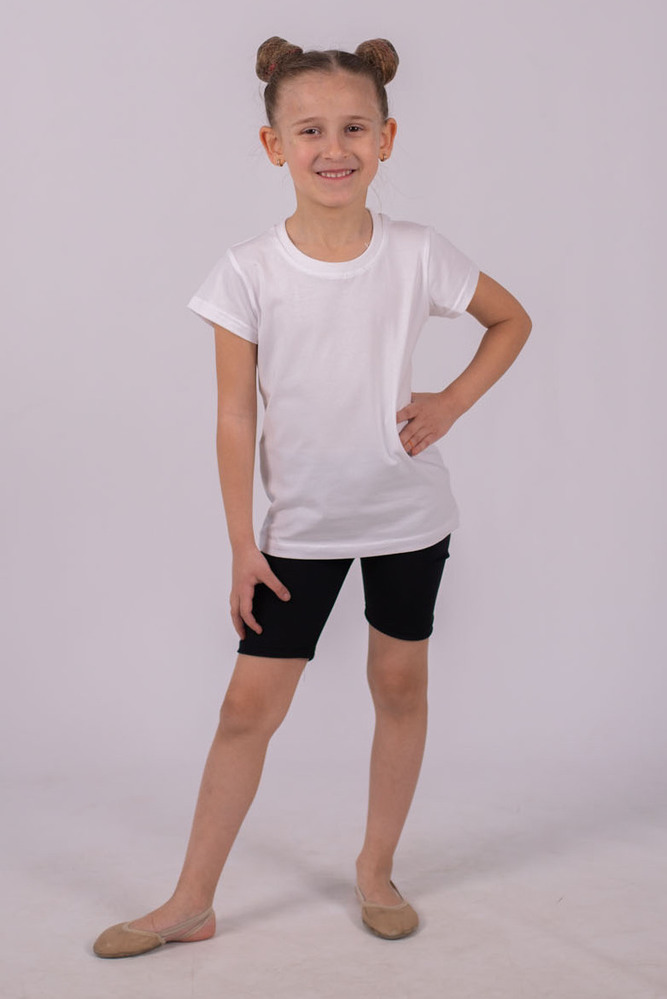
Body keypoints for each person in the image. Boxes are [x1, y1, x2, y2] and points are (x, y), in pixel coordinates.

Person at [93, 35, 531, 958]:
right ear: (273, 146)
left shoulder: (417, 252)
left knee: (398, 684)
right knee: (246, 709)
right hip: (297, 530)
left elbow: (509, 319)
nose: (334, 148)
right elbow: (233, 415)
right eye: (310, 131)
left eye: (354, 128)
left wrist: (450, 401)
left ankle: (376, 869)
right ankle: (190, 900)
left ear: (386, 138)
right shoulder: (247, 271)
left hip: (408, 516)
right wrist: (241, 542)